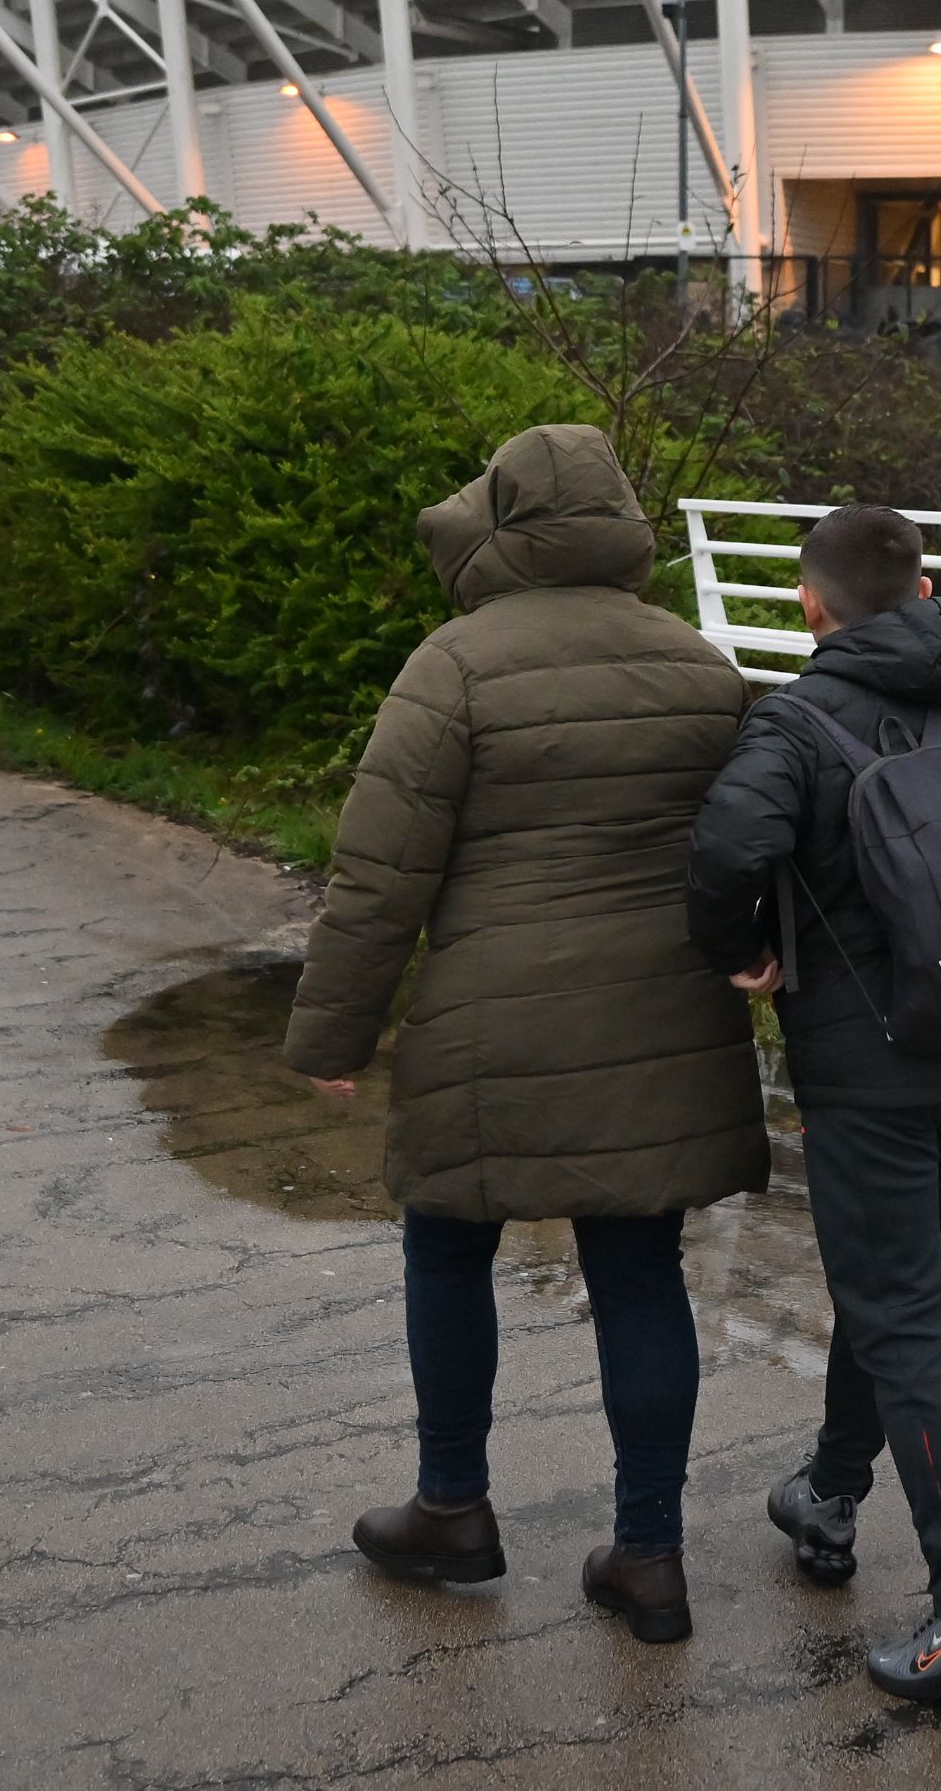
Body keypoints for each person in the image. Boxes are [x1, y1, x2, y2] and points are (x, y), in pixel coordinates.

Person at [281, 424, 762, 1650]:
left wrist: (332, 1029)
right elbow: (747, 846)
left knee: (448, 1246)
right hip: (662, 1020)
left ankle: (452, 1509)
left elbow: (382, 872)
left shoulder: (455, 666)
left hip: (485, 1022)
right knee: (639, 1271)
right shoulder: (700, 666)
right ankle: (649, 1554)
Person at [685, 503, 941, 1707]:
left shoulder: (795, 720)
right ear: (926, 584)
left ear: (810, 607)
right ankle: (830, 1492)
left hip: (864, 1062)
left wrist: (741, 953)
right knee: (887, 1282)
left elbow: (728, 848)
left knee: (896, 1306)